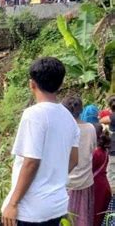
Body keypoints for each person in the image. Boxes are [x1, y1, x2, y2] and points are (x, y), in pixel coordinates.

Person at [1, 57, 80, 226]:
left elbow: (31, 162)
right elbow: (74, 159)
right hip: (56, 205)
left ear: (32, 84)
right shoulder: (69, 118)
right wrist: (52, 175)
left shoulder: (33, 115)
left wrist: (13, 204)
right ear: (60, 84)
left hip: (31, 210)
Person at [62, 96, 97, 226]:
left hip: (66, 182)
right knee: (83, 219)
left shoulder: (63, 130)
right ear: (81, 110)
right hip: (85, 181)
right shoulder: (91, 128)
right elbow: (92, 149)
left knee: (65, 220)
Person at [93, 123, 111, 226]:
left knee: (95, 215)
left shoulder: (96, 153)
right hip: (104, 186)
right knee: (101, 216)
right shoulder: (104, 151)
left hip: (97, 188)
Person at [99, 95, 115, 188]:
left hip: (113, 150)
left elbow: (101, 120)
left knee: (111, 178)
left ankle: (112, 200)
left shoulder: (111, 117)